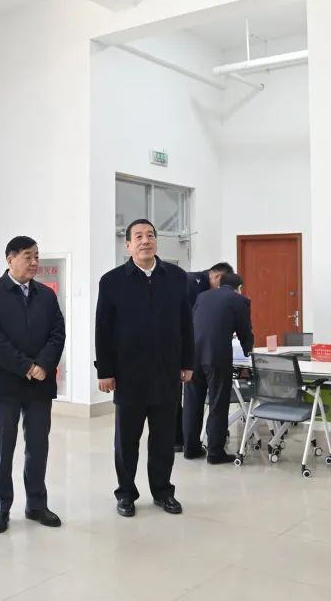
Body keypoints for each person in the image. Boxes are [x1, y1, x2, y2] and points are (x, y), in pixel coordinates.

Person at [96, 219, 193, 518]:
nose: (145, 241)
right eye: (138, 236)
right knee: (127, 441)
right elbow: (103, 329)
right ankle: (126, 494)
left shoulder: (176, 277)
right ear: (127, 245)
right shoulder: (112, 281)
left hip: (166, 373)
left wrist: (188, 362)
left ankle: (163, 492)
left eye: (150, 235)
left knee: (163, 439)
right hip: (129, 375)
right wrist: (105, 371)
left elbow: (186, 323)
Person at [0, 236, 66, 534]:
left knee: (38, 447)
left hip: (39, 384)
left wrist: (43, 365)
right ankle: (1, 508)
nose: (34, 262)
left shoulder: (46, 295)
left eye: (37, 256)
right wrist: (26, 366)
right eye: (28, 256)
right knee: (2, 449)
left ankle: (36, 505)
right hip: (5, 384)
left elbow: (57, 333)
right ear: (10, 259)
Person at [184, 272, 254, 463]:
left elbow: (192, 323)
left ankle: (190, 449)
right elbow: (244, 331)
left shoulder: (202, 296)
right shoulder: (239, 300)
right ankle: (215, 453)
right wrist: (249, 352)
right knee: (217, 403)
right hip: (216, 357)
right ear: (239, 288)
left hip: (192, 356)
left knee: (192, 403)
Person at [179, 263, 235, 450]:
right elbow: (188, 320)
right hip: (187, 349)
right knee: (199, 399)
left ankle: (189, 446)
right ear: (217, 277)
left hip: (193, 351)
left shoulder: (200, 285)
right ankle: (186, 442)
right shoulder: (191, 284)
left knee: (192, 400)